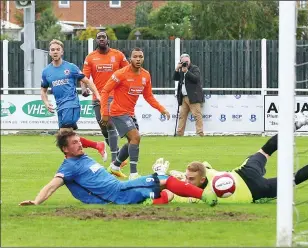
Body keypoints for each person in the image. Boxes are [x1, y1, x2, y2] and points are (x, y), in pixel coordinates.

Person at [152, 114, 308, 203]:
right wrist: (166, 175)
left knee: (265, 151)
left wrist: (165, 175)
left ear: (202, 179)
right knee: (293, 179)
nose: (187, 180)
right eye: (187, 178)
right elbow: (169, 192)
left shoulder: (197, 189)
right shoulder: (196, 185)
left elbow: (168, 193)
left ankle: (295, 125)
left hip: (245, 175)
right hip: (255, 188)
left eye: (191, 178)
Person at [18, 130, 217, 207]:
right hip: (117, 193)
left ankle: (149, 202)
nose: (80, 145)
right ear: (65, 149)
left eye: (80, 141)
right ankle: (203, 196)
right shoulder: (69, 166)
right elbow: (52, 185)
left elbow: (96, 177)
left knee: (167, 191)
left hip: (121, 188)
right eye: (75, 143)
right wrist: (36, 202)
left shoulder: (83, 158)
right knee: (162, 178)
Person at [100, 47, 170, 180]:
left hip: (130, 113)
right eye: (135, 56)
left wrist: (161, 109)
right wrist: (104, 112)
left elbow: (148, 96)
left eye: (140, 57)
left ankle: (115, 166)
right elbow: (105, 91)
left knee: (133, 141)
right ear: (130, 59)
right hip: (117, 112)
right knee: (136, 137)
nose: (138, 59)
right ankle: (133, 174)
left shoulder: (145, 75)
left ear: (143, 58)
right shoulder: (120, 74)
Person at [41, 39, 107, 161]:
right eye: (52, 50)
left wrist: (97, 94)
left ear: (62, 52)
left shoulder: (70, 67)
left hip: (71, 104)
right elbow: (43, 90)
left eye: (57, 49)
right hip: (60, 106)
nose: (55, 52)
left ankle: (77, 160)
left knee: (64, 134)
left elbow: (86, 81)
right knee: (66, 137)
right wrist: (45, 102)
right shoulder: (46, 72)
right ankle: (96, 146)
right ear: (49, 53)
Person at [82, 31, 129, 163]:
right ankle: (118, 153)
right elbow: (84, 77)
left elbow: (128, 71)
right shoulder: (90, 57)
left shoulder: (118, 55)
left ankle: (115, 161)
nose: (101, 39)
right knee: (103, 128)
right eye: (99, 37)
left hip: (113, 96)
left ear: (108, 40)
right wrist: (84, 89)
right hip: (97, 97)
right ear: (97, 41)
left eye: (103, 37)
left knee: (109, 124)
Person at [173, 53, 204, 136]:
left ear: (190, 60)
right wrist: (177, 69)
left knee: (197, 115)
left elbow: (196, 79)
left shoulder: (194, 68)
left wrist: (186, 71)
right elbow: (175, 78)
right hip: (183, 97)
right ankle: (179, 133)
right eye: (183, 62)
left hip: (193, 96)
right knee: (182, 116)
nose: (185, 63)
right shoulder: (181, 69)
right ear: (181, 62)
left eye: (187, 61)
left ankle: (200, 133)